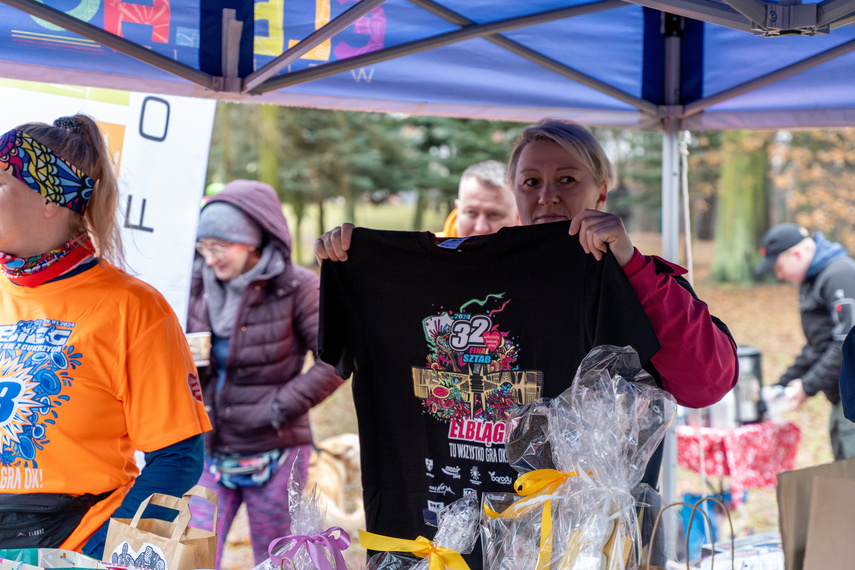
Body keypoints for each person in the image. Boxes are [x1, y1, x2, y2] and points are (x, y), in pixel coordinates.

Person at [315, 119, 738, 567]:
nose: (548, 195)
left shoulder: (636, 277)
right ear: (515, 193)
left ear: (601, 192)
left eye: (567, 179)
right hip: (445, 546)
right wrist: (352, 263)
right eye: (531, 181)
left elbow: (706, 381)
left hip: (591, 548)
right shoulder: (450, 280)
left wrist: (630, 266)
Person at [0, 115, 211, 556]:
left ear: (51, 200)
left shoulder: (133, 308)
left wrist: (102, 553)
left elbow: (178, 458)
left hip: (74, 542)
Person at [186, 179, 343, 567]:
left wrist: (278, 407)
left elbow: (338, 356)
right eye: (203, 248)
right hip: (209, 449)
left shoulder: (298, 287)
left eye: (220, 247)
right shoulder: (195, 285)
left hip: (275, 453)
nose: (210, 259)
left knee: (274, 558)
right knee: (192, 555)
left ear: (253, 240)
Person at [757, 222, 855, 459]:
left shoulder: (840, 274)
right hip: (840, 399)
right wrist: (783, 383)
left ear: (797, 253)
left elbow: (846, 344)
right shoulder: (813, 281)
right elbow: (818, 345)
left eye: (779, 267)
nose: (779, 276)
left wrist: (808, 386)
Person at [438, 160, 518, 237]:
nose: (480, 229)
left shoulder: (530, 250)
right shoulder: (430, 249)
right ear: (458, 209)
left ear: (517, 216)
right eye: (471, 212)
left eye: (494, 214)